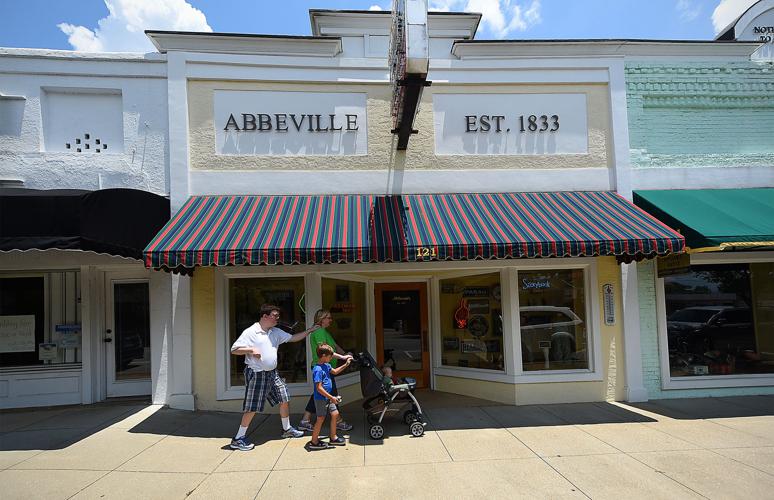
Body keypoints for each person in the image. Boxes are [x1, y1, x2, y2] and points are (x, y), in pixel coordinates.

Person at [229, 303, 320, 452]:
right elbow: (234, 349)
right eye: (275, 316)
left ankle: (287, 429)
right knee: (252, 407)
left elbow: (293, 338)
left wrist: (310, 330)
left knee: (284, 397)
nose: (277, 318)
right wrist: (251, 350)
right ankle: (238, 439)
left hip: (272, 373)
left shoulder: (275, 332)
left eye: (278, 316)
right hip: (257, 373)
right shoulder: (251, 332)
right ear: (265, 316)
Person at [298, 309, 354, 432]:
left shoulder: (325, 332)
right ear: (321, 319)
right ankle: (338, 421)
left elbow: (334, 347)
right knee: (331, 393)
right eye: (328, 317)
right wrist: (343, 357)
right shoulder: (319, 332)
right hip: (322, 368)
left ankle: (305, 420)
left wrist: (345, 354)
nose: (331, 320)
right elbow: (325, 351)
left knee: (320, 393)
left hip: (327, 367)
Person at [307, 344, 352, 450]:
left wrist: (346, 365)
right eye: (330, 356)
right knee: (320, 419)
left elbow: (335, 371)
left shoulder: (326, 365)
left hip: (329, 397)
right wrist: (331, 397)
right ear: (323, 356)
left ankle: (333, 437)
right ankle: (314, 442)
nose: (331, 358)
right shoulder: (317, 369)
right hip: (321, 399)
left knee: (335, 414)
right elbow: (319, 388)